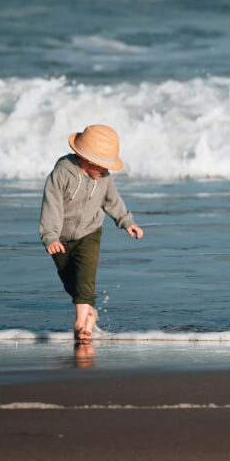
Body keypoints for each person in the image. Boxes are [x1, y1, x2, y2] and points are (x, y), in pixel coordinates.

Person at [39, 124, 143, 343]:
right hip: (60, 238)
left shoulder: (103, 178)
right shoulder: (62, 174)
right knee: (72, 283)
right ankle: (90, 314)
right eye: (103, 166)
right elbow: (52, 206)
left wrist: (126, 221)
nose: (107, 171)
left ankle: (80, 324)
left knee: (85, 278)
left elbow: (112, 201)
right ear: (87, 159)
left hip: (90, 233)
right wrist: (51, 236)